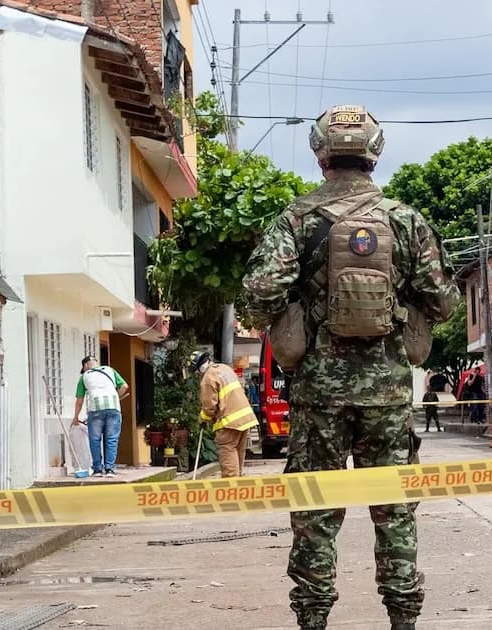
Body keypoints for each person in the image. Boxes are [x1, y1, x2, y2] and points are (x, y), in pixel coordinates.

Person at [243, 104, 457, 630]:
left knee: (315, 512)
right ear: (375, 153)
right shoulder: (405, 220)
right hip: (387, 392)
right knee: (395, 510)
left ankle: (312, 619)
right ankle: (403, 618)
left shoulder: (295, 219)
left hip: (318, 393)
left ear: (319, 153)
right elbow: (446, 303)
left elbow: (259, 293)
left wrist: (295, 311)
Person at [191, 350, 258, 478]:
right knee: (238, 452)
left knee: (227, 449)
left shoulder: (208, 377)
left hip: (229, 421)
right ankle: (238, 484)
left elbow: (209, 406)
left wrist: (202, 418)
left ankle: (230, 487)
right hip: (244, 418)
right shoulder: (224, 368)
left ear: (200, 367)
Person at [73, 355, 129, 478]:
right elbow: (124, 386)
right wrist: (115, 398)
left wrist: (75, 417)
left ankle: (98, 469)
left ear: (85, 366)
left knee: (95, 439)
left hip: (95, 410)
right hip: (113, 409)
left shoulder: (84, 376)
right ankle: (109, 469)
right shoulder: (110, 370)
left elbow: (79, 400)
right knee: (111, 439)